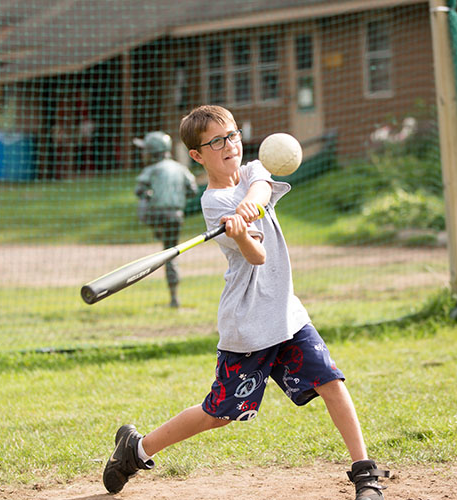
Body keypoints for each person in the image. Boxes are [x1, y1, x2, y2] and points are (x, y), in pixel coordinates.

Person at [103, 106, 388, 500]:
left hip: (286, 314)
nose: (228, 145)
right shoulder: (212, 204)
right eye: (216, 142)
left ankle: (365, 474)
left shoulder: (255, 170)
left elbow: (260, 189)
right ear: (197, 155)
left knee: (331, 382)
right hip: (249, 325)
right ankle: (137, 449)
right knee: (217, 414)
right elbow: (257, 256)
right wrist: (239, 235)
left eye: (232, 135)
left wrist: (247, 209)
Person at [133, 130, 198, 308]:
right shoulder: (180, 168)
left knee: (143, 205)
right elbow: (192, 190)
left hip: (155, 214)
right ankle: (174, 296)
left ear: (152, 151)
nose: (142, 154)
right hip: (176, 216)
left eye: (145, 150)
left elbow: (139, 191)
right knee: (171, 253)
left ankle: (157, 229)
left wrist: (148, 193)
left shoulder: (151, 169)